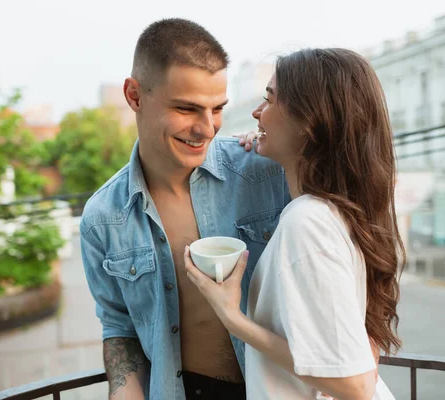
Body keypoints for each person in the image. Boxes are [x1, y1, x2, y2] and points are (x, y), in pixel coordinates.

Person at [79, 18, 290, 400]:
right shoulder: (102, 218)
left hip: (279, 389)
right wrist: (123, 393)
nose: (207, 128)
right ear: (135, 96)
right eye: (187, 108)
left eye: (217, 109)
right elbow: (119, 326)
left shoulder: (267, 172)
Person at [185, 47, 404, 400]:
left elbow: (357, 385)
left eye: (269, 100)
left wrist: (233, 319)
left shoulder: (307, 221)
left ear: (308, 122)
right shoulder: (331, 211)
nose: (257, 113)